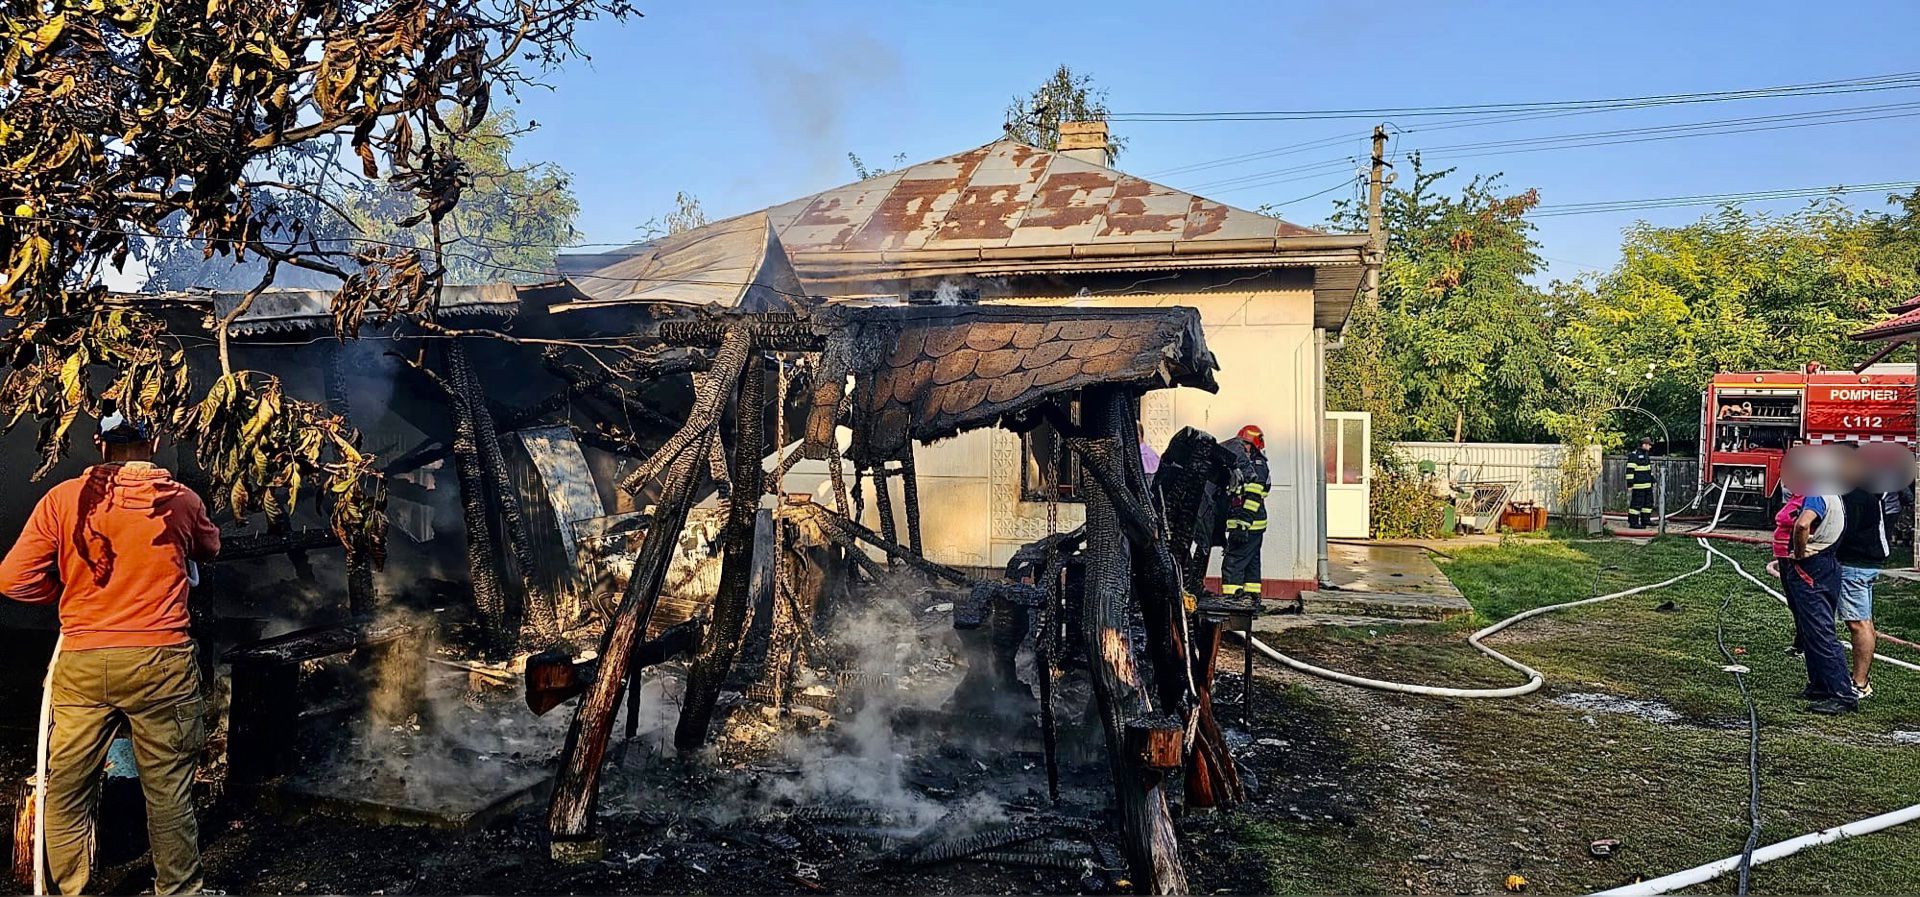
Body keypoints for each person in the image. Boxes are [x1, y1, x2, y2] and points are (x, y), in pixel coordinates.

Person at [0, 412, 221, 895]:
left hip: (82, 661)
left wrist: (68, 597)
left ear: (99, 444)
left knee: (67, 789)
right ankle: (179, 891)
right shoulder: (180, 501)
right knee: (168, 789)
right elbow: (209, 548)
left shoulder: (63, 500)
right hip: (162, 662)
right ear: (155, 441)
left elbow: (12, 579)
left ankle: (70, 890)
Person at [1771, 446, 1855, 715]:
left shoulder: (1817, 493)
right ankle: (1819, 684)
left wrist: (1798, 552)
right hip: (1822, 564)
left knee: (1819, 630)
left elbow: (1803, 524)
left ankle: (1842, 695)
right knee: (1809, 628)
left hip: (1811, 567)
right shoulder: (1830, 492)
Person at [1834, 443, 1911, 700]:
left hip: (1856, 562)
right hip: (1867, 560)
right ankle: (1859, 679)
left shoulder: (1856, 492)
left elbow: (1845, 529)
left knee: (1858, 623)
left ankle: (1860, 683)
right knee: (1862, 621)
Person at [1219, 424, 1269, 597]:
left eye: (1246, 444)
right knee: (1251, 564)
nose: (1242, 448)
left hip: (1247, 524)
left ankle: (1232, 600)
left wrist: (1242, 524)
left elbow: (1253, 497)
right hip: (1252, 525)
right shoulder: (1251, 464)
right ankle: (1252, 600)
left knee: (1233, 563)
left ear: (1254, 446)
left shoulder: (1255, 466)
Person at [1623, 436, 1656, 529]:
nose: (1650, 447)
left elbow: (1648, 469)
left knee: (1648, 504)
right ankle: (1633, 523)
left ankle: (1646, 520)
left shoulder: (1646, 455)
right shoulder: (1634, 455)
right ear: (1644, 445)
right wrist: (1630, 484)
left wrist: (1652, 479)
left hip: (1647, 485)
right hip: (1638, 486)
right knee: (1636, 505)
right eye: (1649, 445)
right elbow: (1630, 471)